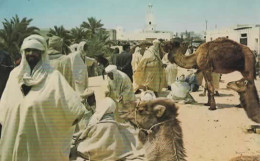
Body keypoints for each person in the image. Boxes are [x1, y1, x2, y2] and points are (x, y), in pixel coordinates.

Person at [0, 35, 88, 161]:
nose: (31, 53)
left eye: (35, 50)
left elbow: (75, 110)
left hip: (41, 141)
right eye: (28, 50)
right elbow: (4, 106)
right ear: (23, 52)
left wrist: (58, 124)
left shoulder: (53, 77)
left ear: (42, 53)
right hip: (14, 135)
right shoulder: (14, 75)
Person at [71, 97, 136, 161]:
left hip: (93, 152)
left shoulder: (96, 122)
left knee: (80, 146)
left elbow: (85, 135)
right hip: (112, 154)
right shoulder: (114, 124)